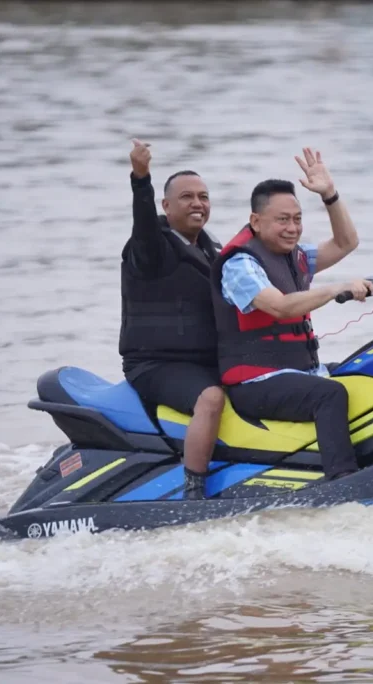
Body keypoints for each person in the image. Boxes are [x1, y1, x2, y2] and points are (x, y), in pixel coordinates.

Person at [211, 147, 373, 480]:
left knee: (366, 369)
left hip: (298, 371)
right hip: (253, 383)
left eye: (297, 219)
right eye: (282, 220)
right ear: (256, 222)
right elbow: (279, 306)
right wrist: (333, 289)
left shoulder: (295, 256)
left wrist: (329, 195)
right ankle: (342, 481)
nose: (292, 228)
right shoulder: (240, 264)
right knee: (330, 394)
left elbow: (346, 243)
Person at [119, 139, 226, 499]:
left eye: (204, 196)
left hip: (206, 360)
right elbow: (144, 223)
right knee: (210, 399)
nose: (198, 203)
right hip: (156, 364)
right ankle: (193, 490)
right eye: (187, 197)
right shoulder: (151, 249)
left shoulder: (214, 251)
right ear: (166, 206)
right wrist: (140, 177)